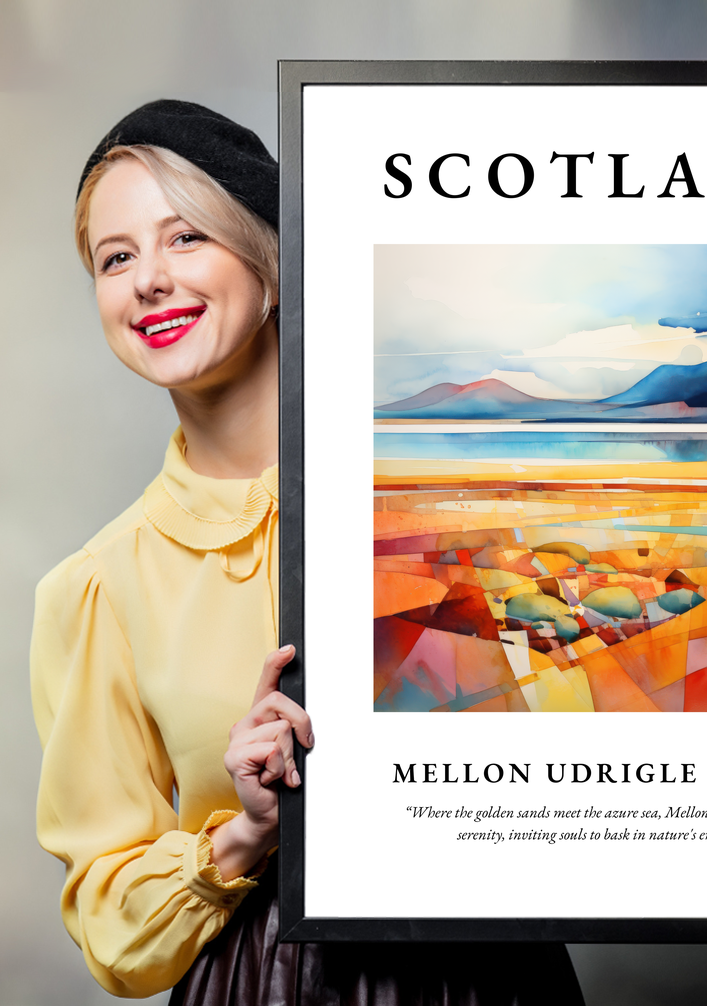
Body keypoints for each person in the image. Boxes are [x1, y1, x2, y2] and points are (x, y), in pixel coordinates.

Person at [30, 100, 585, 1004]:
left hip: (491, 974)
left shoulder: (452, 497)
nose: (148, 281)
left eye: (186, 239)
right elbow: (110, 923)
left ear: (274, 264)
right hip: (263, 982)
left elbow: (609, 702)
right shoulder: (97, 587)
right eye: (116, 257)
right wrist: (245, 832)